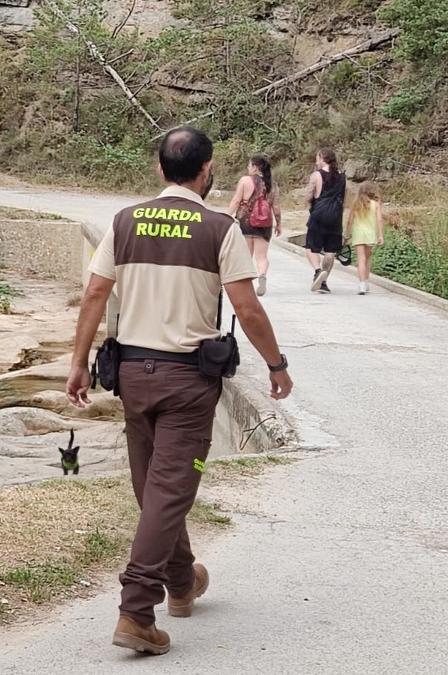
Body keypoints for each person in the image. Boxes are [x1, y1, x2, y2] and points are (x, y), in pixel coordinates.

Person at [65, 127, 293, 655]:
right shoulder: (217, 227)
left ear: (159, 167)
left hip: (132, 379)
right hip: (188, 382)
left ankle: (183, 583)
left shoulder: (125, 221)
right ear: (207, 170)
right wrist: (276, 364)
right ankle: (136, 611)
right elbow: (247, 307)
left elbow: (96, 292)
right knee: (167, 490)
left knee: (153, 488)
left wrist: (79, 364)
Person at [227, 155, 282, 296]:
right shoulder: (272, 184)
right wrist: (279, 224)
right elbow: (276, 207)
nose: (248, 167)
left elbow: (236, 200)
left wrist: (226, 216)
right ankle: (262, 275)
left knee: (246, 256)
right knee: (261, 257)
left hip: (245, 221)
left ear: (255, 167)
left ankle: (247, 285)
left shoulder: (245, 180)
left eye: (249, 165)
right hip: (264, 224)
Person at [304, 147, 346, 293]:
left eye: (317, 158)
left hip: (319, 215)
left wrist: (310, 204)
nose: (316, 161)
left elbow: (309, 195)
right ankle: (324, 282)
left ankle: (317, 271)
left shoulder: (317, 175)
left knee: (310, 248)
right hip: (336, 216)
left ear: (322, 158)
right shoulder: (342, 176)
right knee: (330, 251)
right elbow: (343, 198)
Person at [345, 181, 385, 295]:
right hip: (370, 234)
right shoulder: (375, 204)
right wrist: (380, 235)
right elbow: (379, 220)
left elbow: (350, 221)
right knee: (367, 259)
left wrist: (346, 234)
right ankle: (366, 281)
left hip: (358, 234)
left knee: (361, 259)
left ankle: (361, 284)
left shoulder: (356, 204)